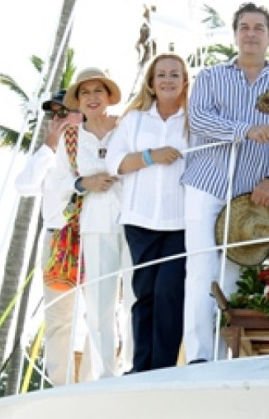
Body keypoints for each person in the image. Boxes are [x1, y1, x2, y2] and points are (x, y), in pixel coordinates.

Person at [180, 2, 269, 363]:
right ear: (235, 35)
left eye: (258, 28)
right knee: (201, 269)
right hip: (206, 183)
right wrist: (245, 130)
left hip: (250, 194)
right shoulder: (209, 77)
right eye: (244, 27)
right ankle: (199, 357)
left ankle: (226, 359)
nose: (251, 33)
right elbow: (200, 120)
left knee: (235, 273)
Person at [106, 53, 189, 372]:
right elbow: (115, 163)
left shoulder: (194, 119)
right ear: (152, 83)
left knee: (170, 292)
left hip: (180, 221)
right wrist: (150, 156)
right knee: (143, 295)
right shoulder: (135, 119)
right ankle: (141, 368)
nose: (168, 80)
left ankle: (163, 368)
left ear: (184, 82)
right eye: (161, 75)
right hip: (139, 220)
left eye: (174, 74)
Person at [47, 68, 131, 378]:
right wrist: (85, 183)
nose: (92, 98)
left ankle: (134, 368)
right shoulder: (70, 137)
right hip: (94, 222)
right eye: (85, 93)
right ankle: (104, 374)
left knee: (134, 297)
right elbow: (59, 181)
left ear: (109, 96)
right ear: (78, 101)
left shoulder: (126, 127)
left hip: (134, 218)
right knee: (99, 302)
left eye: (99, 91)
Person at [14, 90, 91, 384]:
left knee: (100, 313)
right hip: (57, 239)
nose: (58, 118)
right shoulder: (49, 153)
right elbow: (24, 186)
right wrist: (48, 145)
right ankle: (61, 384)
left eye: (65, 111)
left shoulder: (98, 141)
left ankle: (93, 382)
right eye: (54, 114)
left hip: (94, 236)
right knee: (60, 319)